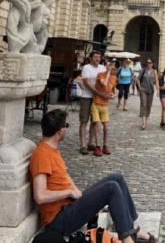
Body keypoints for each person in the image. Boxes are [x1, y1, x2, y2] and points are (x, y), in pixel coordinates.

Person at [29, 109, 156, 242]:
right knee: (111, 188)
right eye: (66, 125)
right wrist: (69, 192)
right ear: (60, 131)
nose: (66, 129)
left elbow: (63, 176)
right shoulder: (42, 155)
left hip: (70, 205)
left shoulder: (52, 150)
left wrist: (76, 192)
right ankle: (127, 239)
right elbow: (40, 196)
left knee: (117, 178)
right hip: (59, 219)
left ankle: (133, 228)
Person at [79, 50, 105, 155]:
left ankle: (90, 142)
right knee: (84, 121)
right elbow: (87, 83)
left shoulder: (102, 68)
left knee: (94, 121)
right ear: (91, 58)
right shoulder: (86, 68)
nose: (97, 59)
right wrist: (98, 92)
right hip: (86, 97)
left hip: (97, 98)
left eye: (99, 57)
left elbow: (105, 81)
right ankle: (83, 145)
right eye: (95, 57)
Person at [90, 60, 118, 156]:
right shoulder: (100, 75)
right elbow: (104, 84)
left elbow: (114, 91)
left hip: (105, 105)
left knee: (106, 127)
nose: (112, 67)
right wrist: (108, 72)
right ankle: (98, 147)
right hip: (96, 103)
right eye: (110, 65)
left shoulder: (114, 78)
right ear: (106, 66)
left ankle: (105, 146)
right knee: (97, 125)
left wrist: (113, 95)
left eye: (113, 66)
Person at [137, 58, 159, 130]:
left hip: (151, 91)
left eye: (150, 63)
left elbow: (156, 81)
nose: (148, 64)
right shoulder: (143, 70)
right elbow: (138, 79)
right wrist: (140, 88)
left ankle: (146, 122)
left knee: (148, 106)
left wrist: (158, 90)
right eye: (147, 62)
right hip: (143, 90)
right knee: (143, 105)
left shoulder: (154, 71)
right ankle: (143, 123)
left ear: (152, 64)